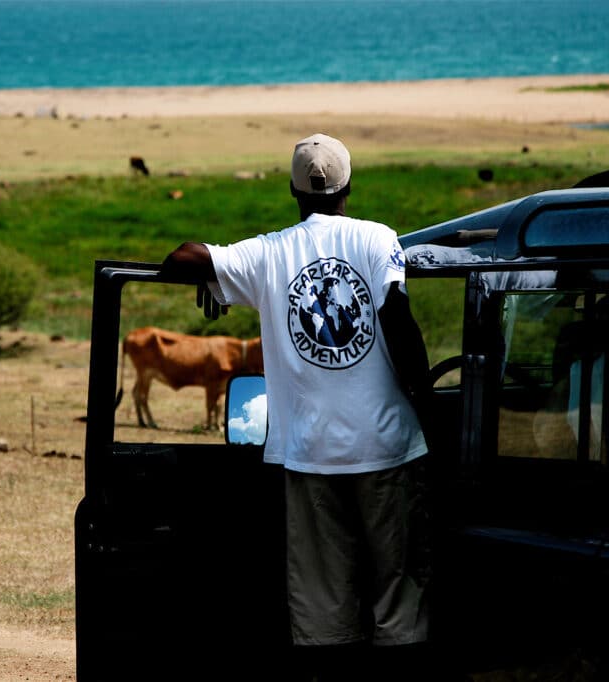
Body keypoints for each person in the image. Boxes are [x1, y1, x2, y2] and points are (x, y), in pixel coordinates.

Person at [161, 133, 433, 681]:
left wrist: (208, 278)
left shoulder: (268, 252)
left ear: (293, 190)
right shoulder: (378, 239)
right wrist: (421, 398)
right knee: (398, 598)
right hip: (387, 448)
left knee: (323, 609)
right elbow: (397, 320)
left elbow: (180, 256)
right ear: (348, 186)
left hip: (308, 456)